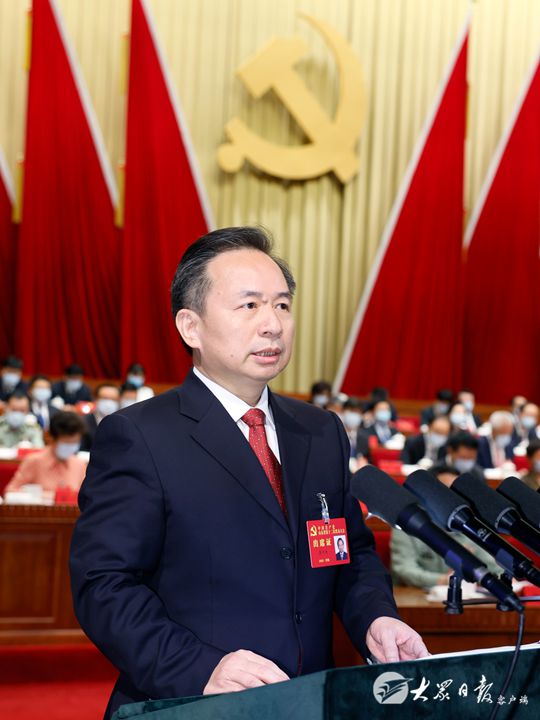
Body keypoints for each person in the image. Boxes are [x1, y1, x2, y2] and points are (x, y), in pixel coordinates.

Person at [70, 226, 427, 718]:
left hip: (307, 700)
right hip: (192, 703)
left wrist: (375, 618)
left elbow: (348, 553)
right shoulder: (140, 435)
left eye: (282, 305)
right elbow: (104, 584)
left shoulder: (319, 431)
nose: (272, 324)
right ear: (190, 327)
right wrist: (200, 667)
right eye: (249, 305)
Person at [391, 465, 500, 588]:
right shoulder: (407, 524)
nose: (451, 499)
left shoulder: (469, 524)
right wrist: (443, 580)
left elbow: (494, 568)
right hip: (417, 595)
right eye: (445, 492)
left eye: (455, 493)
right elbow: (404, 570)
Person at [4, 411, 87, 495]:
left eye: (74, 442)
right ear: (51, 439)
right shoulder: (34, 461)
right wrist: (38, 496)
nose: (70, 447)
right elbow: (10, 491)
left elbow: (86, 496)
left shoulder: (79, 464)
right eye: (66, 442)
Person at [80, 383, 120, 451]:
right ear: (95, 399)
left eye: (113, 399)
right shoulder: (83, 422)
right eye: (104, 398)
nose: (109, 403)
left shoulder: (123, 423)